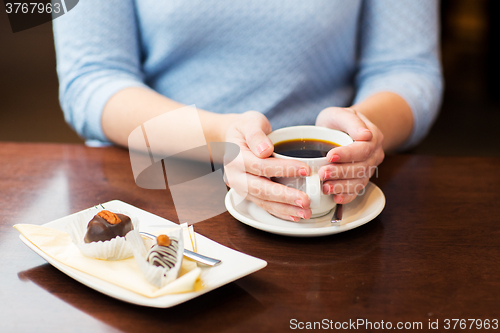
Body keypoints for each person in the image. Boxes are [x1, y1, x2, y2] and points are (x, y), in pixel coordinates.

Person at [53, 0, 443, 221]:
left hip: (335, 196)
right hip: (161, 186)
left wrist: (363, 132)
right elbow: (90, 78)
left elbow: (408, 69)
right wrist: (216, 138)